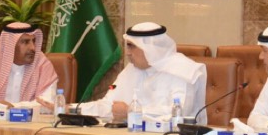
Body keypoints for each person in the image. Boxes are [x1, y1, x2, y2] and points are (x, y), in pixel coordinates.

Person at [76, 22, 206, 122]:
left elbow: (178, 115)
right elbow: (108, 105)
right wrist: (73, 109)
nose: (127, 53)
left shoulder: (183, 71)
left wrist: (131, 111)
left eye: (131, 46)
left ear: (150, 48)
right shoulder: (131, 69)